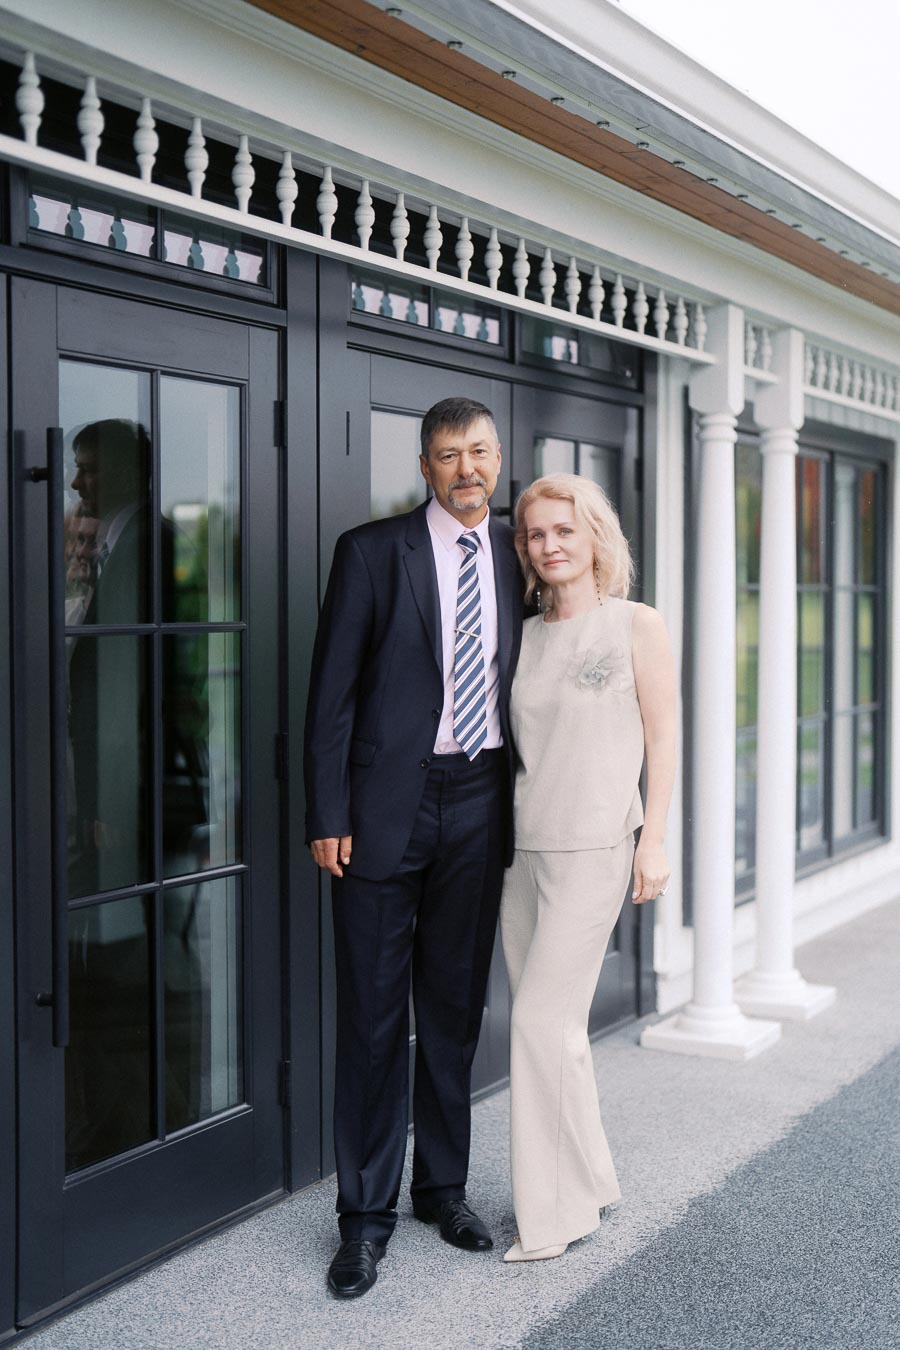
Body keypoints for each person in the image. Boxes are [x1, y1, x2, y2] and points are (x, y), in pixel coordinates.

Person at [304, 396, 524, 1299]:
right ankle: (363, 1221)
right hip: (380, 811)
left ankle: (443, 1189)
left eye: (477, 451)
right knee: (370, 1020)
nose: (465, 468)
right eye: (446, 455)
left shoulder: (519, 554)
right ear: (425, 466)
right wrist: (327, 813)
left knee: (454, 1008)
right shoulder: (370, 552)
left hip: (481, 798)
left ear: (499, 458)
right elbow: (331, 693)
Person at [500, 472, 675, 1263]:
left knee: (537, 1024)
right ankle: (594, 1179)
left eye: (563, 530)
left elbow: (665, 740)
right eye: (536, 534)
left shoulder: (637, 625)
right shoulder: (525, 633)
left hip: (599, 844)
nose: (550, 544)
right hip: (522, 852)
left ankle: (552, 1217)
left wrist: (655, 838)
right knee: (559, 1033)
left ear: (593, 534)